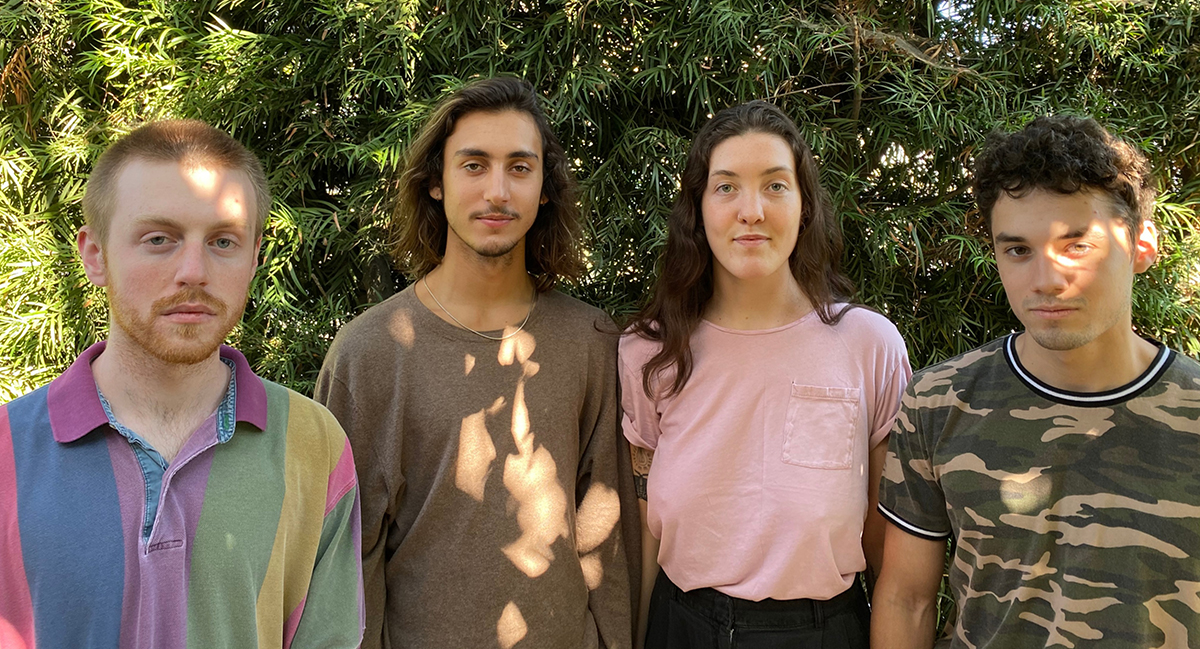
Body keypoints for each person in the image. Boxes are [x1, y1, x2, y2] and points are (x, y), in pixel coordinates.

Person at [0, 120, 364, 649]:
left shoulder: (313, 444)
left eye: (222, 241)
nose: (194, 270)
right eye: (159, 239)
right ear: (95, 255)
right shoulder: (7, 452)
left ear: (255, 257)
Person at [315, 76, 639, 649]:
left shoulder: (590, 342)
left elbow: (608, 536)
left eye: (519, 167)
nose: (497, 191)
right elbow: (344, 559)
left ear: (544, 188)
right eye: (473, 165)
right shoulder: (370, 354)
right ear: (436, 182)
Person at [871, 115, 1200, 647]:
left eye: (1076, 244)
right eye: (1018, 249)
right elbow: (905, 599)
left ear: (1141, 246)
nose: (1045, 280)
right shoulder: (938, 401)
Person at [620, 101, 912, 649]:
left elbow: (886, 547)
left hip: (823, 632)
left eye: (775, 186)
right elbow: (643, 535)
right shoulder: (652, 351)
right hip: (680, 626)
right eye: (726, 186)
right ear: (698, 210)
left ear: (804, 207)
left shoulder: (868, 345)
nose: (750, 210)